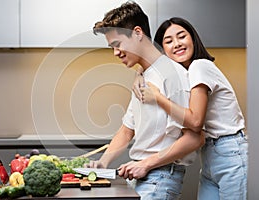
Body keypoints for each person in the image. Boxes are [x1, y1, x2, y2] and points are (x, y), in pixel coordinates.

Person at [88, 2, 205, 199]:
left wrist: (146, 164)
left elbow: (194, 137)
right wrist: (103, 162)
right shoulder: (142, 78)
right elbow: (127, 131)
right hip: (141, 176)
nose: (115, 53)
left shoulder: (172, 75)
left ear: (137, 33)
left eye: (117, 45)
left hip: (160, 178)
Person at [133, 17, 248, 200]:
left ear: (193, 39)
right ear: (163, 51)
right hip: (211, 155)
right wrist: (139, 73)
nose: (177, 44)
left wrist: (158, 98)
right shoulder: (184, 75)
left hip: (231, 152)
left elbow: (195, 121)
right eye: (169, 41)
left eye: (182, 37)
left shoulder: (199, 66)